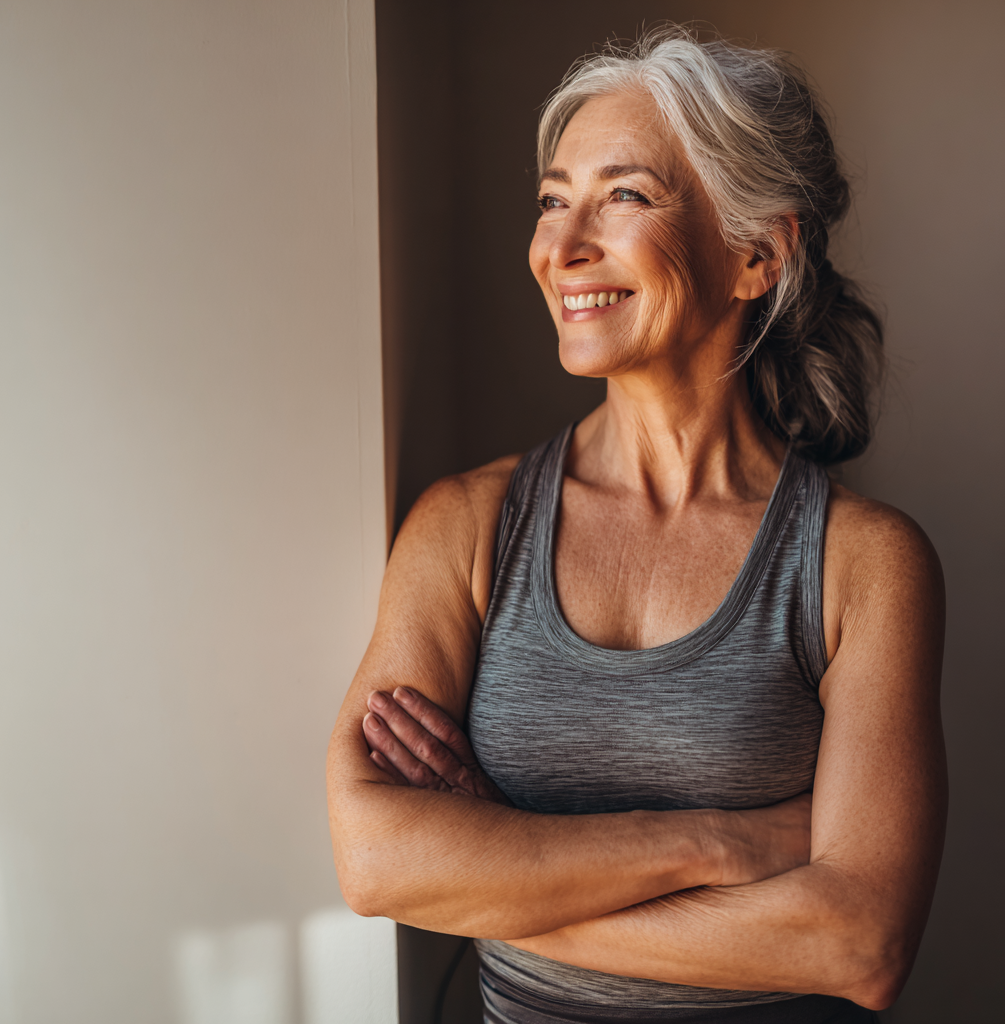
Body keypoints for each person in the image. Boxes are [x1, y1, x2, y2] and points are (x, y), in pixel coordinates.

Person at [326, 25, 947, 1024]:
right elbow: (375, 859)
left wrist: (498, 876)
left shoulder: (865, 565)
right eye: (551, 199)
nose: (560, 247)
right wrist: (721, 841)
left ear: (756, 254)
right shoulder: (465, 527)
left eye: (622, 195)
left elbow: (860, 942)